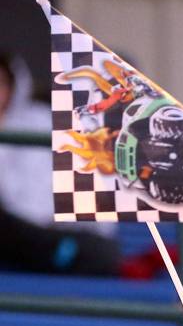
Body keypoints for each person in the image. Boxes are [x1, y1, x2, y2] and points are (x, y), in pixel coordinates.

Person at [0, 53, 120, 275]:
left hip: (46, 229)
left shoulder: (38, 122)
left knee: (98, 253)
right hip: (18, 232)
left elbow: (35, 197)